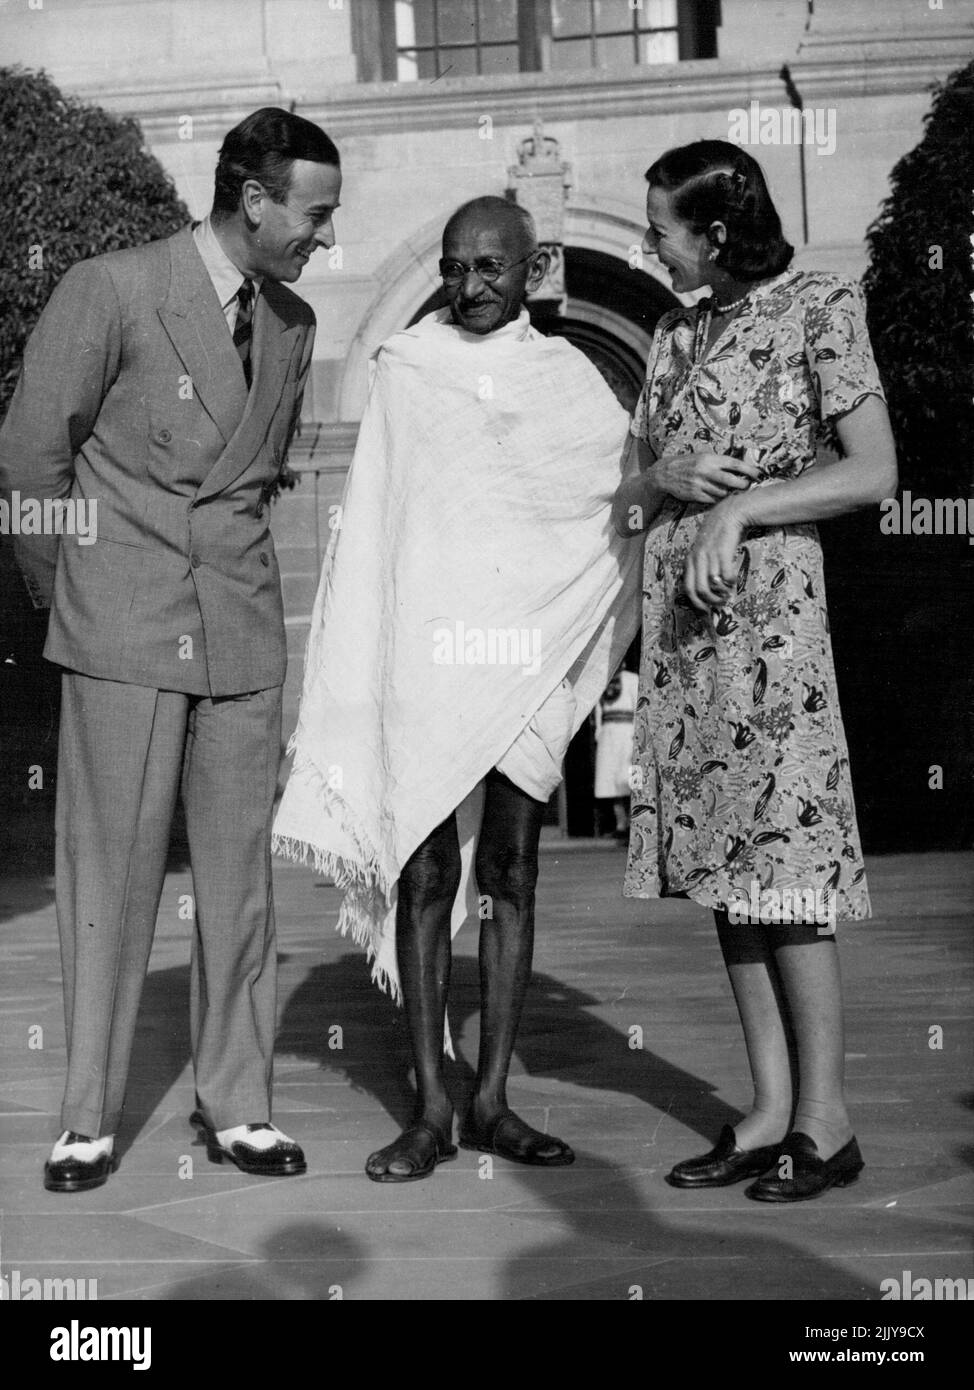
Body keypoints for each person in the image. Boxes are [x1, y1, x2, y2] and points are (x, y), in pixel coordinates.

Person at [0, 107, 342, 1191]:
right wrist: (83, 604)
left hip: (240, 637)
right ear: (254, 201)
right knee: (108, 876)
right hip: (122, 629)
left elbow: (260, 480)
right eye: (315, 214)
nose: (326, 237)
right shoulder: (111, 286)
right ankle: (88, 1115)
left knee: (241, 884)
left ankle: (237, 1105)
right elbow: (26, 464)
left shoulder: (292, 321)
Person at [274, 196, 641, 1182]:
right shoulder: (406, 369)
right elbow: (380, 523)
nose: (472, 285)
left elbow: (613, 502)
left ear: (530, 270)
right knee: (425, 874)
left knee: (512, 875)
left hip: (518, 659)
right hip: (430, 658)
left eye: (492, 267)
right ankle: (430, 1105)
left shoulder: (564, 377)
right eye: (456, 266)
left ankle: (492, 1100)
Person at [613, 140, 897, 1202]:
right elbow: (629, 502)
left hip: (771, 622)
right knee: (727, 871)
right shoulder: (668, 333)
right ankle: (768, 1107)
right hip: (686, 634)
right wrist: (661, 476)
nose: (652, 248)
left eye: (662, 232)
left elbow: (872, 470)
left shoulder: (819, 304)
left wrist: (739, 504)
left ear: (716, 233)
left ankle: (827, 1121)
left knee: (784, 860)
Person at [594, 667, 639, 840]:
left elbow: (637, 704)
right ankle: (621, 824)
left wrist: (637, 733)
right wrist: (599, 731)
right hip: (608, 735)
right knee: (610, 782)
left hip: (628, 734)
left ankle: (636, 823)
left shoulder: (632, 679)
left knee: (631, 779)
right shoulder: (603, 680)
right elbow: (599, 709)